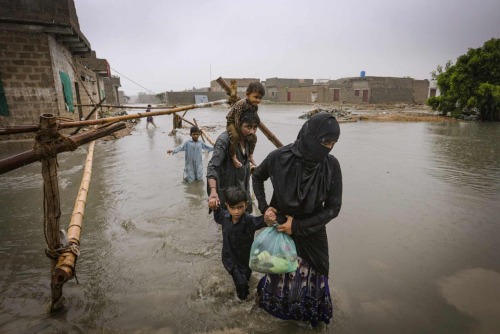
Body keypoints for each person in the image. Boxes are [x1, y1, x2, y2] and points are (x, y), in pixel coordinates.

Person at [251, 113, 342, 327]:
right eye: (325, 141)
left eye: (333, 143)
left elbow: (333, 208)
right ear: (310, 136)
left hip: (313, 230)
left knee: (315, 279)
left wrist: (298, 225)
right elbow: (257, 176)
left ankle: (309, 320)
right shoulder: (278, 158)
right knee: (280, 271)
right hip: (281, 227)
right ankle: (279, 318)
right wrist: (265, 208)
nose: (329, 147)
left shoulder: (331, 165)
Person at [213, 186, 272, 300]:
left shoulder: (250, 221)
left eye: (240, 207)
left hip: (246, 261)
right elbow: (217, 216)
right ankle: (241, 303)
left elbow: (264, 220)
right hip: (229, 259)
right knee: (241, 284)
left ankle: (242, 295)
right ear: (227, 205)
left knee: (246, 279)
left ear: (246, 204)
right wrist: (214, 207)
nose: (236, 211)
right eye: (232, 207)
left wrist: (272, 216)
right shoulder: (224, 217)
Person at [207, 112, 260, 214]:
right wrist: (213, 191)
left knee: (245, 220)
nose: (252, 131)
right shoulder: (224, 140)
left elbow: (246, 161)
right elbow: (212, 167)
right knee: (227, 223)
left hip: (243, 190)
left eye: (255, 128)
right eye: (248, 127)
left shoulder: (249, 140)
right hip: (227, 193)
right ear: (238, 124)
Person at [226, 82, 265, 169]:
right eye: (256, 97)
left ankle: (250, 156)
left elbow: (255, 118)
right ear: (247, 95)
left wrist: (254, 129)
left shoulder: (255, 106)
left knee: (254, 138)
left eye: (260, 98)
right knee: (235, 136)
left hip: (244, 123)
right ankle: (234, 157)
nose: (258, 100)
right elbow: (237, 119)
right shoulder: (241, 104)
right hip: (232, 122)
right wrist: (241, 135)